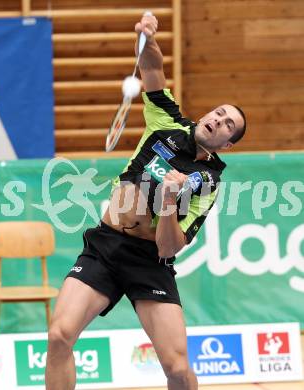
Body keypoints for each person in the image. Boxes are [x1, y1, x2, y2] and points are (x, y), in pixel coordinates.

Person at [45, 13, 246, 390]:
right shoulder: (168, 120)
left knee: (178, 368)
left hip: (148, 260)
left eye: (227, 125)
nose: (218, 121)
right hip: (105, 245)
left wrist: (169, 201)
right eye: (218, 113)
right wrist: (147, 36)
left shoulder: (208, 181)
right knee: (59, 336)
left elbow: (169, 246)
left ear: (228, 144)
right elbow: (152, 69)